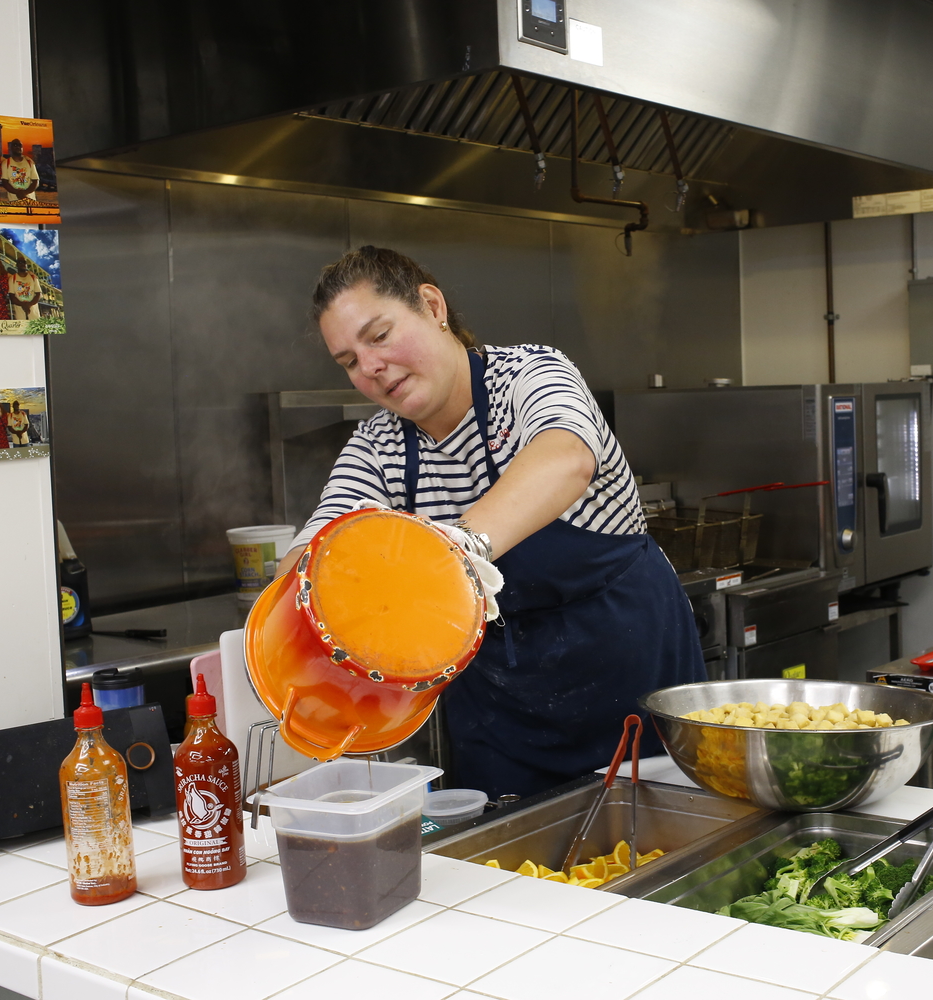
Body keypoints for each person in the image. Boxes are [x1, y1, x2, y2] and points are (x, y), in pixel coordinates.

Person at [275, 246, 704, 800]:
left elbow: (565, 457)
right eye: (350, 362)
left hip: (630, 688)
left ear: (432, 306)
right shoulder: (377, 447)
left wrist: (457, 547)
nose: (371, 368)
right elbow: (313, 552)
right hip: (501, 720)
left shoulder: (530, 375)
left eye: (378, 336)